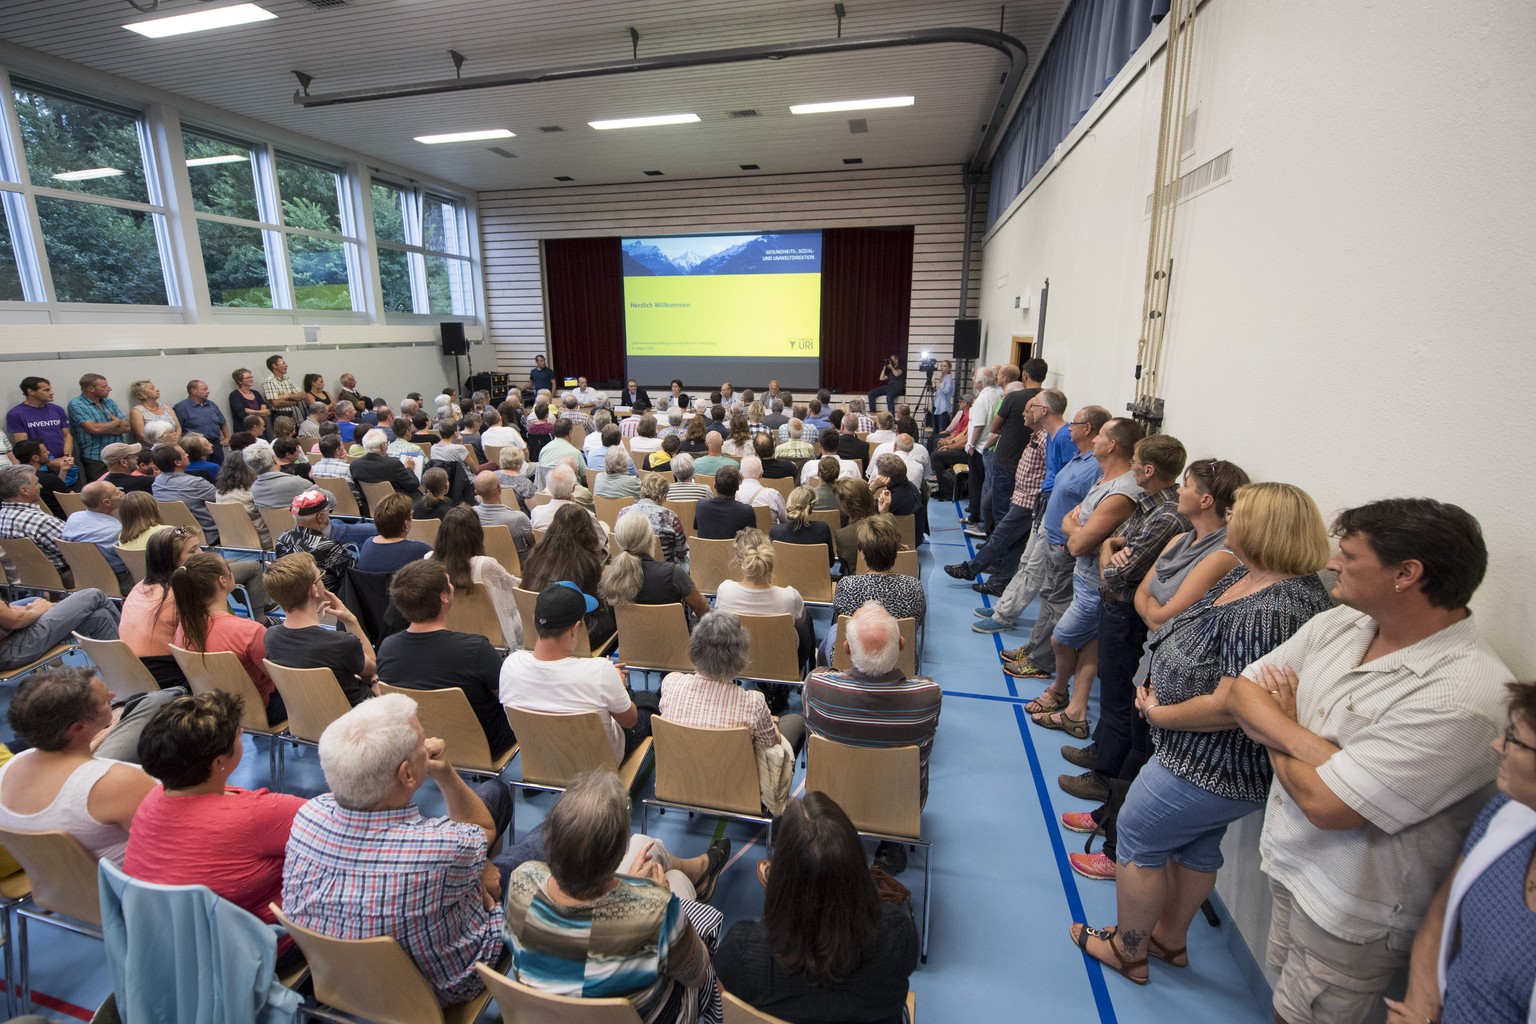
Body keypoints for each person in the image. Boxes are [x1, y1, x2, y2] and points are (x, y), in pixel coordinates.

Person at [1225, 497, 1513, 1024]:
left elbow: (1326, 806)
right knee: (1283, 998)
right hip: (1294, 865)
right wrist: (1312, 745)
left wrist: (1276, 727)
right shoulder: (1345, 624)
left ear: (1407, 574)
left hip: (1351, 912)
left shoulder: (1463, 697)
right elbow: (1242, 691)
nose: (1333, 562)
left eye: (1350, 555)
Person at [1067, 482, 1333, 979]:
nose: (1230, 521)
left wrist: (1161, 714)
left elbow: (1238, 703)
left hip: (1210, 761)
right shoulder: (1250, 577)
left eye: (1239, 515)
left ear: (1265, 528)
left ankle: (1129, 949)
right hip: (1199, 754)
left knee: (1138, 836)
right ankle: (1168, 942)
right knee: (1194, 846)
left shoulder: (1276, 608)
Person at [283, 693, 511, 1006]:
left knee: (492, 797)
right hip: (441, 990)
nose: (429, 743)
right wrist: (444, 772)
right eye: (422, 741)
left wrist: (473, 863)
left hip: (339, 982)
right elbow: (482, 832)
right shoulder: (440, 848)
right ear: (406, 774)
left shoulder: (307, 816)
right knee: (539, 839)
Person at [501, 771, 729, 1023]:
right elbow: (696, 974)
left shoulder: (522, 880)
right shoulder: (656, 910)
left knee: (645, 844)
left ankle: (699, 872)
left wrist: (636, 888)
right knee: (677, 882)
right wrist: (654, 896)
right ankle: (697, 877)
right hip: (653, 1015)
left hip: (553, 1015)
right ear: (618, 854)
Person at [1383, 679, 1536, 1024]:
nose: (1498, 745)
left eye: (1515, 740)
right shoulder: (1504, 813)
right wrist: (1421, 1010)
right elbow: (1441, 913)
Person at [715, 793, 919, 1023]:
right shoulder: (896, 934)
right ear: (858, 871)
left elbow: (727, 1007)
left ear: (782, 878)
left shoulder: (740, 950)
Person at [124, 690, 307, 942]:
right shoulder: (257, 814)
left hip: (178, 944)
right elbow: (335, 827)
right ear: (219, 763)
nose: (241, 735)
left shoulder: (152, 799)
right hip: (254, 950)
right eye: (237, 735)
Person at [805, 601, 941, 872]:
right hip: (900, 803)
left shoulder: (817, 685)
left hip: (829, 797)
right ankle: (891, 843)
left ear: (845, 649)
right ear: (902, 645)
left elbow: (823, 668)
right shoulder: (927, 695)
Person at [657, 606, 809, 810]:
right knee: (795, 721)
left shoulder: (670, 683)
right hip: (738, 790)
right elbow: (771, 742)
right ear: (739, 656)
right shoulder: (753, 702)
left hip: (681, 782)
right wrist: (771, 723)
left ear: (694, 648)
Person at [0, 667, 157, 862]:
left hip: (58, 889)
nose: (113, 695)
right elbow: (174, 846)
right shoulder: (118, 782)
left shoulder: (8, 769)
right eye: (105, 700)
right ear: (78, 727)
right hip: (131, 885)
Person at [375, 560, 516, 758]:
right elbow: (509, 698)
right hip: (486, 748)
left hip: (421, 743)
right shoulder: (476, 650)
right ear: (445, 598)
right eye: (449, 583)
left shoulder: (387, 648)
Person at [500, 583, 647, 762]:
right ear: (576, 629)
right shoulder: (600, 672)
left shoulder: (510, 665)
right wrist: (618, 686)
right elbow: (630, 721)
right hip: (599, 765)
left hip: (543, 761)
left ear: (533, 619)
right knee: (647, 701)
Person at [171, 551, 285, 724]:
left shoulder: (184, 628)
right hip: (260, 710)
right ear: (222, 581)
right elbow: (279, 679)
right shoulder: (249, 631)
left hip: (212, 709)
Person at [263, 552, 378, 706]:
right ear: (314, 590)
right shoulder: (342, 643)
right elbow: (372, 667)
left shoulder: (271, 637)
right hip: (354, 720)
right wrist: (352, 622)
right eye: (320, 577)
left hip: (307, 720)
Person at [715, 528, 816, 675]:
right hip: (782, 660)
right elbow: (801, 621)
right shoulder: (789, 596)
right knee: (805, 621)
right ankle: (800, 672)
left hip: (736, 659)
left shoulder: (725, 590)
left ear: (738, 561)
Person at [519, 504, 614, 644]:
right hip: (574, 634)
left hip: (539, 628)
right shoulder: (586, 562)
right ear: (587, 530)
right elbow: (594, 607)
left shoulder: (535, 554)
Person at [431, 506, 524, 649]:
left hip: (444, 635)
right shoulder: (485, 565)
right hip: (487, 640)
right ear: (477, 534)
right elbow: (514, 589)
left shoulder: (428, 561)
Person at [118, 527, 200, 688]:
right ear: (173, 560)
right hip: (168, 675)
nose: (201, 554)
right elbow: (201, 643)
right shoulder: (180, 592)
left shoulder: (139, 587)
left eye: (199, 547)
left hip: (131, 672)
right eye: (192, 551)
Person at [599, 514, 711, 620]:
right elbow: (703, 610)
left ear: (619, 541)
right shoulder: (673, 573)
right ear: (649, 540)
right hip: (674, 639)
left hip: (629, 640)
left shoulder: (608, 576)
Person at [275, 489, 359, 592]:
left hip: (295, 597)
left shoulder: (282, 539)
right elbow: (353, 574)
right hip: (327, 601)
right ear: (320, 517)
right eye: (328, 512)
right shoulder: (328, 547)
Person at [61, 479, 135, 592]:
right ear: (106, 502)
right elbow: (129, 561)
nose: (122, 493)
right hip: (120, 580)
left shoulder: (73, 518)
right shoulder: (116, 532)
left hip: (82, 577)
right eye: (117, 492)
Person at [0, 463, 70, 578]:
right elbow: (78, 553)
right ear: (25, 490)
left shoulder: (2, 516)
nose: (41, 486)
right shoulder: (42, 522)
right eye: (36, 483)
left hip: (29, 579)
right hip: (62, 577)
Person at [150, 442, 221, 544]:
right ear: (177, 462)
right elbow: (222, 500)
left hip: (177, 537)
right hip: (208, 536)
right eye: (184, 454)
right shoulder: (196, 483)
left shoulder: (157, 482)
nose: (187, 455)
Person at [68, 373, 131, 481]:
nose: (109, 388)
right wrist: (116, 423)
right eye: (104, 386)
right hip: (96, 457)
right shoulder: (76, 404)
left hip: (119, 455)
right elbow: (94, 429)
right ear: (91, 389)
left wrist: (103, 428)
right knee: (102, 491)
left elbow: (127, 426)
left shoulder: (109, 402)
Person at [7, 376, 74, 476]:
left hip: (63, 462)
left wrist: (66, 457)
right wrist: (49, 462)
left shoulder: (57, 410)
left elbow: (67, 435)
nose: (51, 392)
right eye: (46, 390)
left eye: (50, 389)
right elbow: (23, 445)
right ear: (31, 392)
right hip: (39, 467)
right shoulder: (16, 414)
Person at [618, 473, 690, 564]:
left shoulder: (623, 512)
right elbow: (681, 552)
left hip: (631, 565)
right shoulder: (670, 516)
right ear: (664, 497)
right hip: (665, 569)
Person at [771, 486, 835, 566]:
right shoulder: (822, 528)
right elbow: (830, 563)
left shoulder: (775, 531)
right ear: (811, 507)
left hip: (784, 578)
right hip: (816, 578)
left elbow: (773, 564)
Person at [470, 471, 534, 549]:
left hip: (484, 559)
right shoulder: (519, 518)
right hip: (519, 560)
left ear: (476, 492)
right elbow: (533, 543)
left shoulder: (470, 515)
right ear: (499, 489)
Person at [174, 380, 229, 466]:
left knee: (218, 469)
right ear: (193, 391)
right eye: (204, 389)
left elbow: (222, 422)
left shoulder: (211, 405)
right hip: (196, 447)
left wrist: (226, 437)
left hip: (215, 444)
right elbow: (178, 428)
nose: (208, 392)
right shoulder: (181, 408)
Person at [695, 464, 756, 540]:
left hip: (704, 551)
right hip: (735, 551)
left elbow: (697, 530)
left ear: (714, 485)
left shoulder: (701, 506)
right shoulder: (746, 511)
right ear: (738, 487)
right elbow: (752, 540)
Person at [832, 476, 877, 575]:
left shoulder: (843, 535)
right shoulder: (888, 521)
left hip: (856, 584)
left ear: (845, 506)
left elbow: (845, 563)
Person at [247, 443, 310, 509]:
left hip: (271, 519)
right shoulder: (296, 482)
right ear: (274, 458)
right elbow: (320, 495)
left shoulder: (254, 489)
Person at [128, 380, 181, 449]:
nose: (157, 390)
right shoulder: (137, 412)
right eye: (152, 389)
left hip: (173, 448)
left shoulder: (167, 408)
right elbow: (141, 436)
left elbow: (178, 428)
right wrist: (159, 448)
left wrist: (173, 445)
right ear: (143, 394)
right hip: (151, 451)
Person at [736, 456, 786, 525]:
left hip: (740, 535)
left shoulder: (731, 496)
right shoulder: (773, 495)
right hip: (768, 535)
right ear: (761, 473)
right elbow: (785, 520)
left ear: (740, 474)